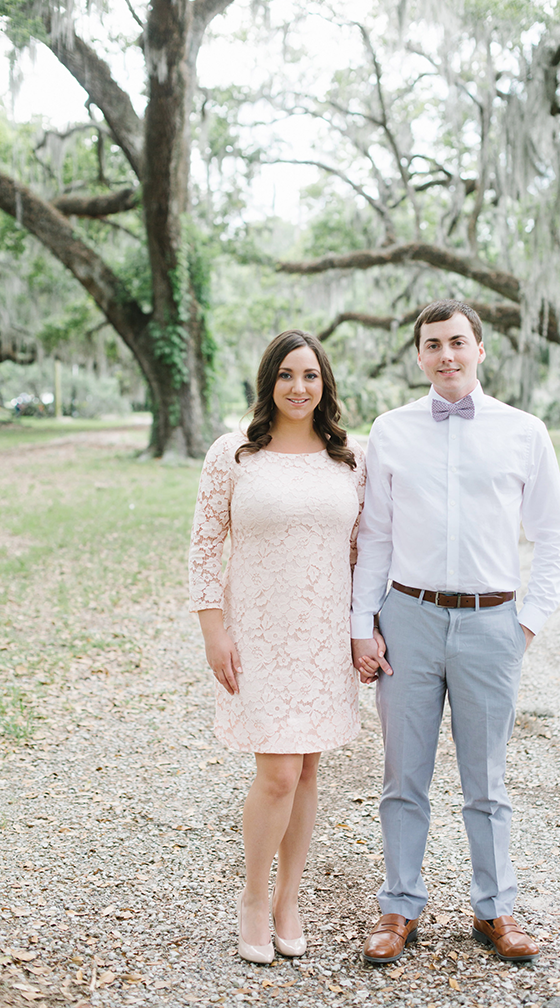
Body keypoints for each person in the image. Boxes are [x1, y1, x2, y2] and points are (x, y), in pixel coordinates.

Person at [351, 300, 560, 965]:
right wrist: (362, 624)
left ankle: (495, 909)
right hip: (408, 618)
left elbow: (554, 536)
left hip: (491, 621)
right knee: (402, 776)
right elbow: (377, 535)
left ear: (480, 349)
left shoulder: (523, 432)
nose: (445, 355)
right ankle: (399, 906)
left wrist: (525, 625)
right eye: (432, 345)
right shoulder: (390, 430)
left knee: (487, 780)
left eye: (457, 342)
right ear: (419, 356)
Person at [189, 330, 365, 965]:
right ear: (268, 382)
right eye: (287, 375)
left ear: (326, 386)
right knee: (278, 772)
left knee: (310, 769)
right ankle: (254, 901)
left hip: (323, 637)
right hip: (259, 635)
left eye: (311, 376)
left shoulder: (349, 457)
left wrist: (362, 629)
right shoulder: (232, 455)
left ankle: (291, 900)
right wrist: (214, 630)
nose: (299, 387)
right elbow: (206, 545)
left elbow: (360, 553)